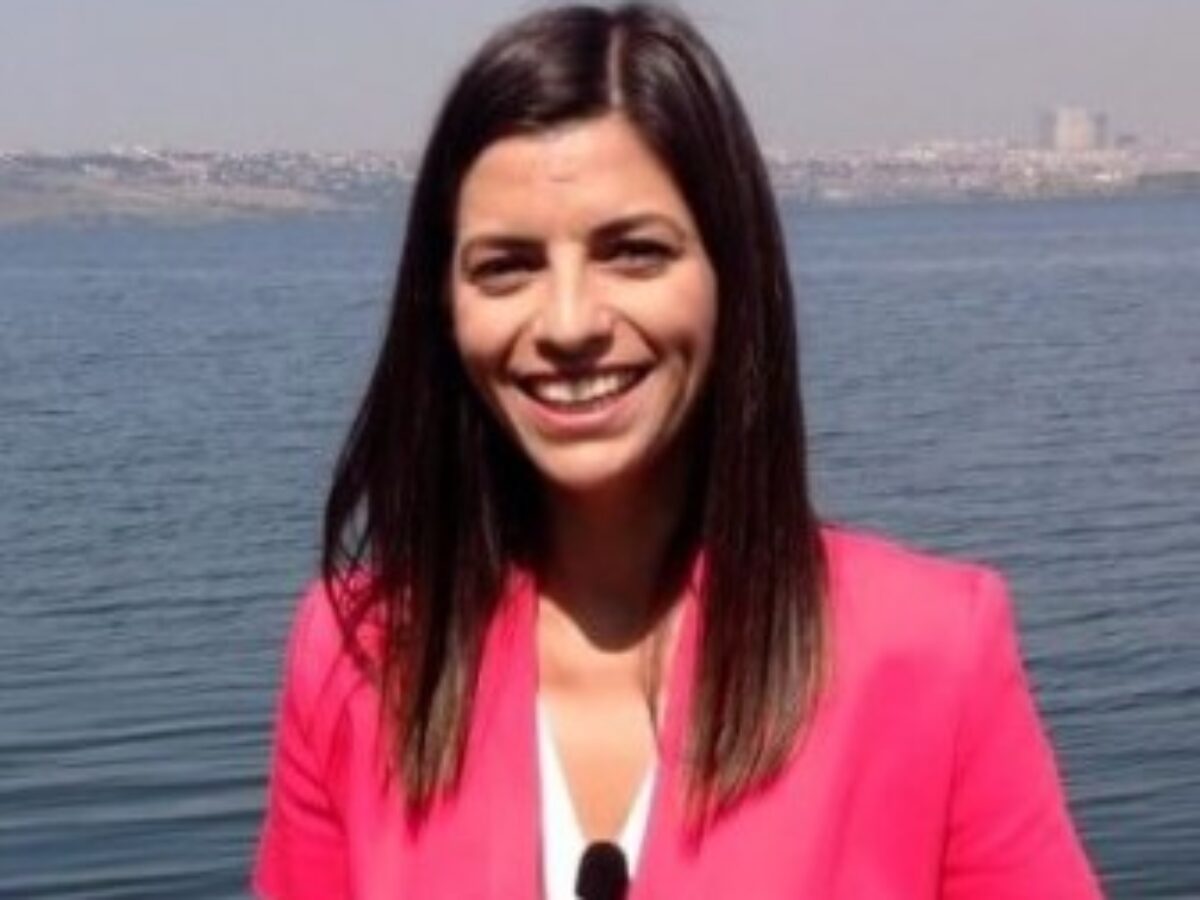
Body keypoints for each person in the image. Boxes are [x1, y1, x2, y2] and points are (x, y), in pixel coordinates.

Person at [254, 4, 1102, 898]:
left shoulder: (931, 654)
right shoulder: (354, 658)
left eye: (633, 252)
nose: (569, 323)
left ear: (730, 275)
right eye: (507, 265)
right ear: (445, 306)